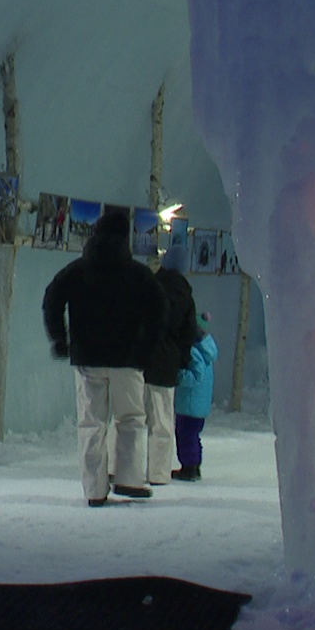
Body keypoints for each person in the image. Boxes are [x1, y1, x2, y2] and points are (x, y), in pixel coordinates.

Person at [43, 207, 168, 506]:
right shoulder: (138, 274)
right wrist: (147, 347)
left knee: (92, 423)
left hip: (87, 358)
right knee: (131, 419)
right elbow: (159, 310)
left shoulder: (77, 270)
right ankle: (129, 479)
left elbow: (52, 299)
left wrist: (60, 338)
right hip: (128, 359)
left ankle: (94, 490)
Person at [143, 241, 200, 485]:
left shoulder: (149, 287)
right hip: (167, 364)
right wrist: (182, 361)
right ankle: (158, 473)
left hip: (141, 359)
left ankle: (122, 468)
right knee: (163, 421)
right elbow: (188, 334)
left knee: (131, 418)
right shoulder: (186, 296)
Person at [173, 310, 218, 482]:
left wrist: (178, 376)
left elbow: (196, 376)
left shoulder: (193, 351)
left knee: (185, 435)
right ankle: (194, 465)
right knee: (193, 436)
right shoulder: (207, 350)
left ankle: (189, 467)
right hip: (199, 405)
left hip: (189, 404)